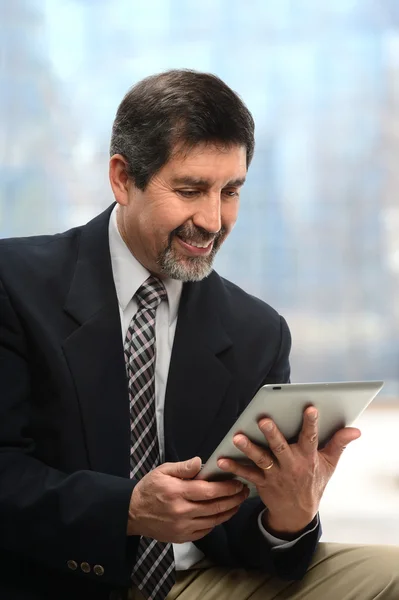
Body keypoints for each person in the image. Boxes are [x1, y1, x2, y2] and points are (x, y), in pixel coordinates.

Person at [0, 69, 398, 600]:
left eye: (230, 191)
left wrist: (289, 516)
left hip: (194, 582)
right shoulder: (15, 284)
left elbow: (244, 536)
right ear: (122, 179)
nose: (213, 220)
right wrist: (127, 512)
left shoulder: (257, 332)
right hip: (58, 576)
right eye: (190, 190)